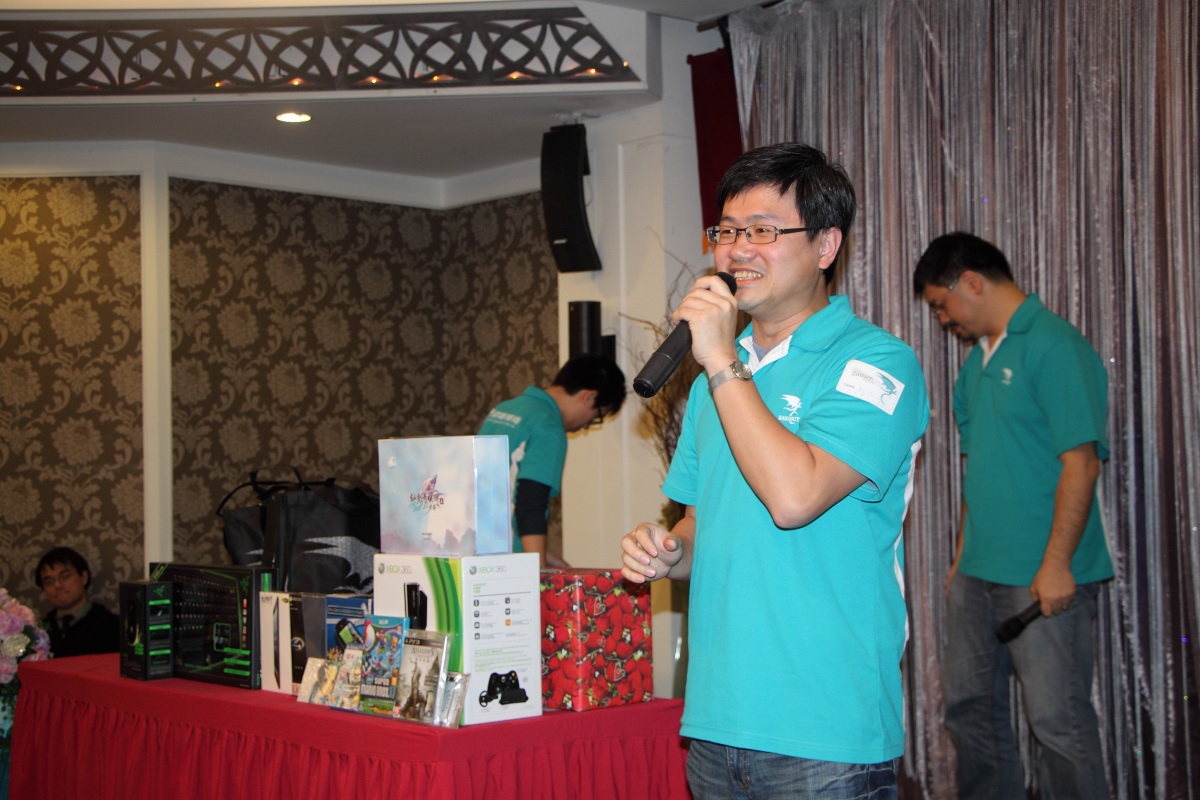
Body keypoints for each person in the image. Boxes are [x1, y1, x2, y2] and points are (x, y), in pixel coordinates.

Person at [621, 143, 929, 799]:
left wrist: (722, 364)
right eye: (727, 232)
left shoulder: (875, 364)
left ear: (825, 246)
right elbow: (701, 525)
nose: (738, 251)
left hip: (824, 734)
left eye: (763, 231)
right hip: (716, 724)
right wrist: (668, 551)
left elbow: (795, 498)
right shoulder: (711, 384)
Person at [913, 232, 1112, 800]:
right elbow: (979, 470)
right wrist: (959, 560)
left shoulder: (1055, 345)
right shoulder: (975, 364)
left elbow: (1082, 464)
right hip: (977, 573)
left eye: (941, 305)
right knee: (968, 712)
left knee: (1058, 724)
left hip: (1041, 575)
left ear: (971, 283)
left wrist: (1057, 564)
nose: (942, 320)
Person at [478, 353, 626, 567]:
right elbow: (530, 507)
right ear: (589, 397)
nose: (586, 426)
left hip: (478, 550)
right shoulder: (549, 427)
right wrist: (538, 573)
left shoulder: (504, 409)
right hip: (506, 565)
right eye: (596, 417)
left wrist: (557, 564)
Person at [35, 546, 120, 658]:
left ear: (83, 577)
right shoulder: (39, 632)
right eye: (49, 581)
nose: (57, 585)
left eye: (65, 576)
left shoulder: (113, 627)